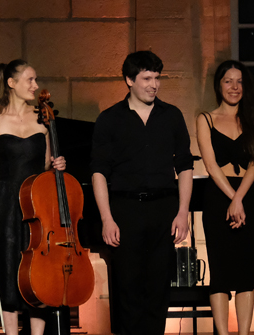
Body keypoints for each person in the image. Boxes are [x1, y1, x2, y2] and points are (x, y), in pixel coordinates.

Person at [91, 50, 193, 335]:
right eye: (147, 78)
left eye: (157, 78)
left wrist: (183, 212)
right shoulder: (110, 119)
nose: (154, 84)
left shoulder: (171, 116)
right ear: (129, 80)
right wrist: (106, 218)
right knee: (127, 287)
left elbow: (184, 166)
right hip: (125, 211)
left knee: (158, 287)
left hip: (163, 209)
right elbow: (98, 171)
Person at [0, 59, 67, 335]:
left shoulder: (42, 118)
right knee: (9, 271)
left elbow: (45, 165)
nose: (35, 86)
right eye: (30, 80)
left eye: (35, 80)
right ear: (11, 83)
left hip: (37, 204)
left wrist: (57, 164)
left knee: (38, 272)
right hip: (5, 204)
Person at [195, 60, 254, 335]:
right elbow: (211, 166)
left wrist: (239, 198)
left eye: (239, 82)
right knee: (221, 269)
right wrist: (232, 198)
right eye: (228, 81)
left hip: (248, 195)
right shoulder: (205, 119)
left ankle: (244, 333)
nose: (234, 87)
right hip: (217, 196)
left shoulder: (253, 119)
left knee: (247, 269)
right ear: (219, 85)